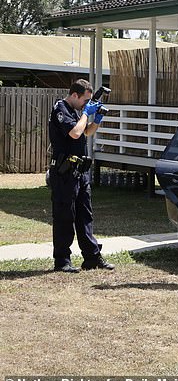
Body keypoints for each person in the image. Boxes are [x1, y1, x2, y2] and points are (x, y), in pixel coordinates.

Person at [48, 79, 114, 273]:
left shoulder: (77, 111)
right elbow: (75, 133)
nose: (86, 104)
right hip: (64, 172)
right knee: (64, 216)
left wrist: (98, 118)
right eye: (85, 100)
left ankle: (92, 257)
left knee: (85, 216)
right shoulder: (61, 109)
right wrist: (86, 113)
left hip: (80, 171)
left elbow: (86, 131)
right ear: (75, 95)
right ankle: (62, 260)